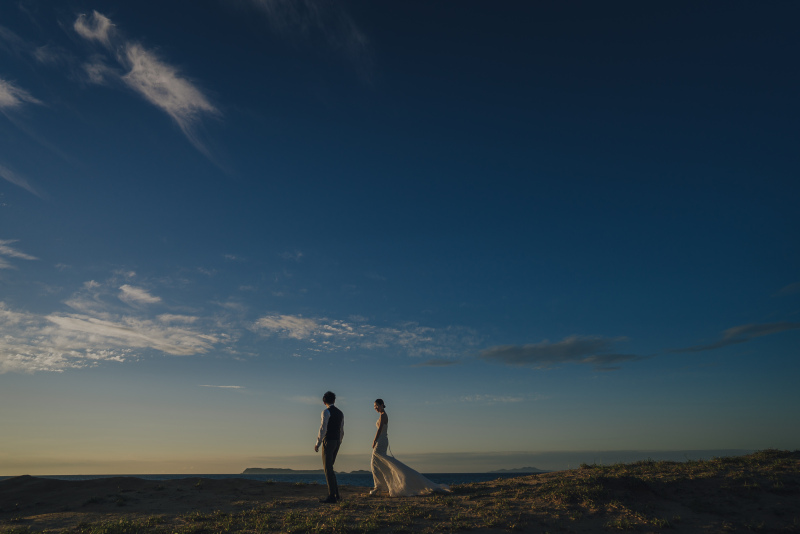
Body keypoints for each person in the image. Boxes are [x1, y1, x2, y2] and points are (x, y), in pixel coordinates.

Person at [369, 398, 450, 497]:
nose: (375, 408)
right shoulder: (383, 415)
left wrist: (374, 440)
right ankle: (381, 486)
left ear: (382, 405)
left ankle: (379, 487)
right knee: (380, 462)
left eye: (376, 405)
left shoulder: (383, 416)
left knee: (375, 462)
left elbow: (380, 429)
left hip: (381, 440)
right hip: (383, 440)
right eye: (374, 406)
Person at [315, 391, 344, 503]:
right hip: (337, 441)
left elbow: (323, 429)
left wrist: (318, 443)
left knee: (328, 469)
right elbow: (342, 430)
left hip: (329, 441)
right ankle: (336, 495)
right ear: (334, 400)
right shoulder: (340, 413)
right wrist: (339, 442)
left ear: (324, 402)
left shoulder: (326, 412)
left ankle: (332, 496)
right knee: (330, 469)